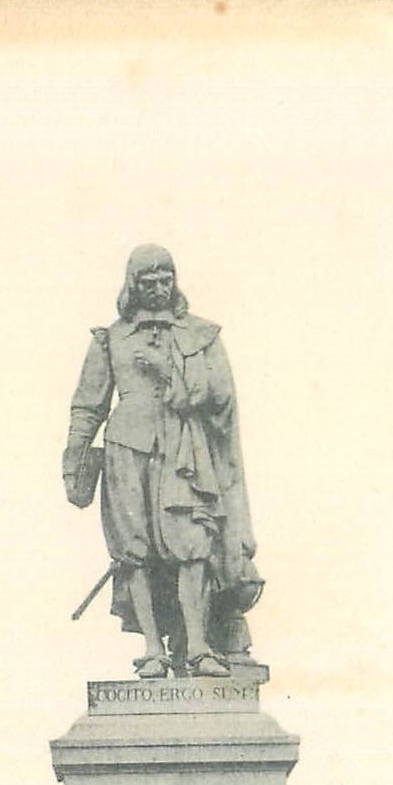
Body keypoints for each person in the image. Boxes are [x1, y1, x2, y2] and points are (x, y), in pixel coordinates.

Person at [63, 244, 263, 679]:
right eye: (148, 281)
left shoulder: (201, 335)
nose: (158, 288)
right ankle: (153, 649)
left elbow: (221, 399)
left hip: (182, 449)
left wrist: (172, 375)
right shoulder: (111, 339)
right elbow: (87, 405)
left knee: (192, 543)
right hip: (126, 449)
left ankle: (197, 645)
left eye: (165, 279)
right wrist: (73, 456)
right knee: (135, 552)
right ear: (132, 285)